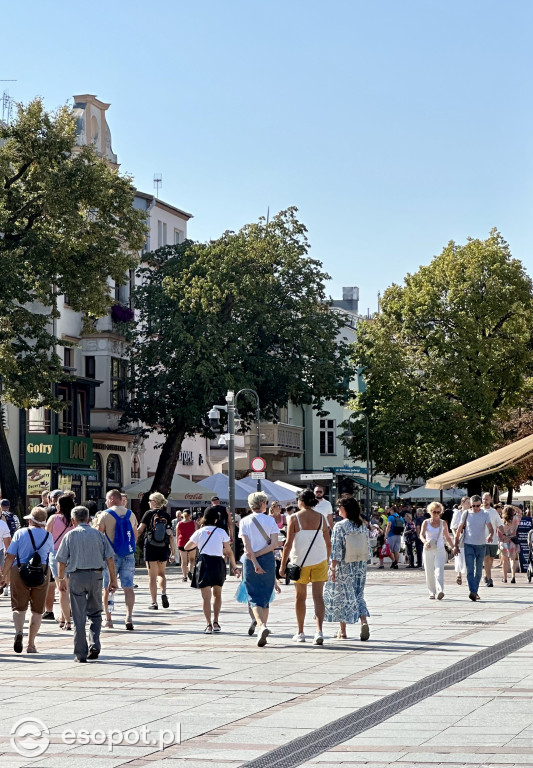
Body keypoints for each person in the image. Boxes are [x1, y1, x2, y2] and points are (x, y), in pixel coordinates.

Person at [55, 505, 118, 662]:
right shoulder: (98, 535)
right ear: (89, 519)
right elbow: (110, 558)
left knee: (78, 616)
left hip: (76, 576)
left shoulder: (69, 536)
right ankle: (94, 644)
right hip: (96, 576)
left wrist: (61, 579)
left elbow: (61, 560)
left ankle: (80, 653)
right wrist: (113, 579)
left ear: (73, 520)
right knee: (96, 613)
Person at [280, 489, 331, 645]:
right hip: (319, 560)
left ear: (300, 502)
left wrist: (282, 566)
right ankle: (319, 631)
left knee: (300, 597)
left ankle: (300, 632)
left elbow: (288, 544)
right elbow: (328, 543)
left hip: (299, 562)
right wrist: (326, 560)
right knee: (318, 597)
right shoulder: (321, 518)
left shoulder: (294, 518)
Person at [0, 507, 54, 653]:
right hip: (41, 572)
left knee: (19, 607)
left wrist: (4, 575)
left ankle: (19, 632)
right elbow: (52, 554)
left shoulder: (20, 533)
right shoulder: (48, 536)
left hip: (19, 570)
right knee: (37, 610)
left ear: (31, 520)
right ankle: (31, 644)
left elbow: (10, 555)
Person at [185, 506, 238, 633]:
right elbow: (229, 552)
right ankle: (216, 622)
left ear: (204, 518)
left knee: (206, 597)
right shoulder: (221, 532)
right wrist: (235, 567)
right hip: (218, 563)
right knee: (217, 594)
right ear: (215, 520)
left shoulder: (200, 532)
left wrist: (198, 544)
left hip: (204, 562)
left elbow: (187, 547)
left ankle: (208, 624)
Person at [324, 497, 370, 640]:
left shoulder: (340, 526)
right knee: (358, 594)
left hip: (344, 565)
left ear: (346, 509)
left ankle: (342, 631)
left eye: (339, 507)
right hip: (359, 564)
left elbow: (336, 549)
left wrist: (332, 568)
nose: (338, 510)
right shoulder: (361, 524)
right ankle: (363, 621)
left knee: (341, 597)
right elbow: (368, 547)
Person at [239, 491, 280, 647]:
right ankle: (263, 626)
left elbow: (246, 547)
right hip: (268, 560)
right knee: (265, 596)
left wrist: (254, 560)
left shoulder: (244, 521)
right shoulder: (270, 521)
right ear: (263, 503)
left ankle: (261, 626)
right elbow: (273, 545)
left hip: (250, 561)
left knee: (253, 596)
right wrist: (259, 555)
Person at [98, 489, 138, 630]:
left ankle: (108, 619)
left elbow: (99, 535)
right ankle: (129, 617)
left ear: (111, 499)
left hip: (110, 556)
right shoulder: (130, 513)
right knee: (128, 587)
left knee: (108, 588)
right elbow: (135, 534)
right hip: (128, 554)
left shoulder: (105, 514)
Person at [137, 492, 175, 609]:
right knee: (162, 574)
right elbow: (170, 535)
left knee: (152, 577)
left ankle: (154, 602)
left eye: (150, 500)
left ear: (154, 502)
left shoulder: (148, 514)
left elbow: (140, 530)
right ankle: (163, 593)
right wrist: (172, 552)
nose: (148, 502)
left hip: (150, 546)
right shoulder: (166, 515)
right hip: (163, 547)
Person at [454, 495, 495, 601]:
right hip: (469, 545)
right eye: (473, 506)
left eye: (478, 506)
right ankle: (473, 591)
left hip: (481, 545)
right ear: (470, 505)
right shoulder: (466, 513)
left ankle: (474, 591)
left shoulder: (485, 514)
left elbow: (491, 528)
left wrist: (490, 535)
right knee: (470, 569)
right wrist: (455, 545)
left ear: (480, 504)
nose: (475, 508)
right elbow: (458, 530)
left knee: (479, 571)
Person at [44, 494, 75, 627]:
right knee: (69, 587)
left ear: (60, 506)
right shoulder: (74, 520)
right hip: (72, 554)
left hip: (56, 554)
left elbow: (47, 536)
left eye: (57, 503)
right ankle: (63, 617)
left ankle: (67, 620)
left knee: (61, 588)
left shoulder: (53, 518)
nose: (56, 505)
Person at [419, 502, 455, 600]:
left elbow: (447, 537)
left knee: (439, 570)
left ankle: (440, 591)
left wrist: (454, 547)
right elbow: (421, 535)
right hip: (428, 549)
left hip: (439, 549)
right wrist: (425, 542)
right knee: (429, 570)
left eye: (438, 512)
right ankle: (432, 592)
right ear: (430, 512)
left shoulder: (443, 523)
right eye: (434, 512)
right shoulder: (426, 522)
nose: (436, 514)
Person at [482, 492, 503, 588]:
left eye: (486, 499)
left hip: (493, 540)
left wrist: (505, 535)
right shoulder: (479, 511)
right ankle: (489, 580)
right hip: (482, 540)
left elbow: (500, 524)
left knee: (490, 560)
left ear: (490, 500)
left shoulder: (493, 512)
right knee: (486, 559)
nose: (485, 501)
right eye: (483, 499)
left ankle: (486, 575)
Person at [499, 505, 522, 583]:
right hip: (513, 541)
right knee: (512, 559)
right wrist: (512, 507)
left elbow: (498, 532)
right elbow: (520, 512)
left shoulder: (501, 521)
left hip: (504, 542)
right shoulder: (516, 519)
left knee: (504, 560)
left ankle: (505, 578)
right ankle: (513, 576)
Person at [451, 496, 469, 585]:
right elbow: (453, 527)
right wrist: (456, 537)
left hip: (469, 536)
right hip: (460, 535)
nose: (468, 505)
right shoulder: (458, 513)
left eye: (469, 503)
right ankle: (459, 574)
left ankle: (468, 575)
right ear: (462, 503)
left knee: (468, 555)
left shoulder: (471, 512)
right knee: (460, 555)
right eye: (467, 503)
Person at [177, 510, 197, 581]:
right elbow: (196, 533)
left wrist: (177, 544)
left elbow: (177, 535)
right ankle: (190, 571)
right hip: (191, 543)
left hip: (181, 543)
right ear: (190, 515)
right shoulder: (193, 523)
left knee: (183, 561)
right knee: (192, 560)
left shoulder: (179, 523)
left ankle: (184, 576)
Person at [384, 505, 404, 569]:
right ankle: (396, 564)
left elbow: (388, 526)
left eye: (390, 510)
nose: (389, 511)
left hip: (391, 535)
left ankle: (393, 561)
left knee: (388, 550)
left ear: (392, 510)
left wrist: (385, 535)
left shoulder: (390, 517)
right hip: (398, 535)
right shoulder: (400, 517)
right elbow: (403, 525)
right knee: (396, 550)